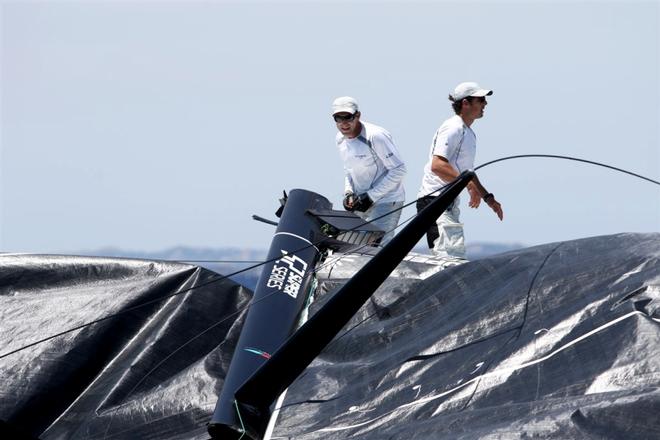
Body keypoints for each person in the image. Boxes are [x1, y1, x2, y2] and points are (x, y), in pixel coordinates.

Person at [417, 82, 503, 261]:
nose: (485, 104)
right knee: (449, 258)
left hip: (449, 202)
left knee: (455, 257)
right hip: (434, 201)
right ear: (465, 103)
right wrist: (468, 184)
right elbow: (438, 165)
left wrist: (488, 198)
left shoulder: (468, 133)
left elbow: (467, 172)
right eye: (481, 100)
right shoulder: (453, 127)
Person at [332, 96, 407, 244]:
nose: (344, 123)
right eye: (338, 118)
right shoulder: (340, 139)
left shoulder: (375, 136)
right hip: (360, 202)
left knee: (375, 249)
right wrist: (348, 193)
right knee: (350, 247)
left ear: (358, 115)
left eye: (348, 117)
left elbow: (399, 169)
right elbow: (349, 170)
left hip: (386, 201)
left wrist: (371, 196)